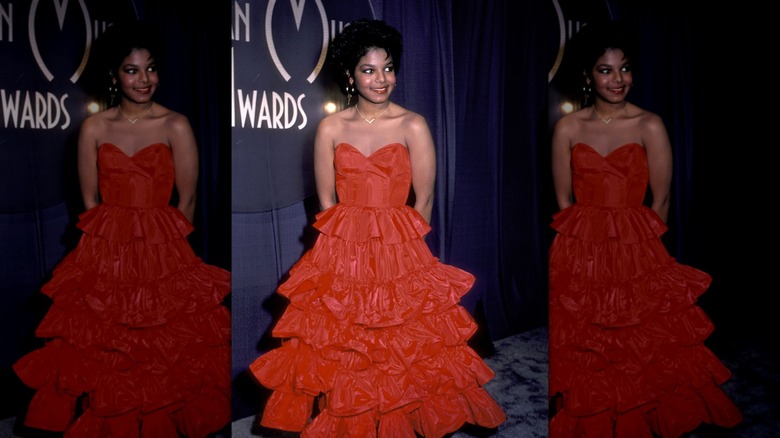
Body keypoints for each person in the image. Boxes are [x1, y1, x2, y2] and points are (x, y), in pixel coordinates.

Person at [250, 19, 506, 437]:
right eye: (368, 70)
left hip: (398, 250)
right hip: (342, 249)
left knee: (403, 344)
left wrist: (404, 259)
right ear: (350, 75)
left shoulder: (413, 125)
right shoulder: (331, 128)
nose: (381, 79)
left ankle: (402, 417)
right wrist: (342, 255)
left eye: (388, 68)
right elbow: (326, 201)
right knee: (343, 343)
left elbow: (423, 201)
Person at [12, 20, 231, 436]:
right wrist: (103, 253)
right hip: (105, 249)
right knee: (101, 342)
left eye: (150, 69)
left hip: (162, 250)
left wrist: (170, 257)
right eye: (132, 70)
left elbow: (187, 200)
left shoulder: (176, 125)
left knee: (160, 343)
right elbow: (89, 201)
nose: (144, 79)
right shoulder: (94, 128)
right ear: (115, 74)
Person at [547, 20, 742, 437]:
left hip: (636, 247)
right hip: (582, 246)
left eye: (625, 69)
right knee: (589, 334)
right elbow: (563, 199)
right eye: (606, 70)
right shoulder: (567, 127)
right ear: (587, 75)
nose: (618, 80)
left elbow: (662, 201)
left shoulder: (649, 124)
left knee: (638, 337)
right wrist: (580, 249)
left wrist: (645, 259)